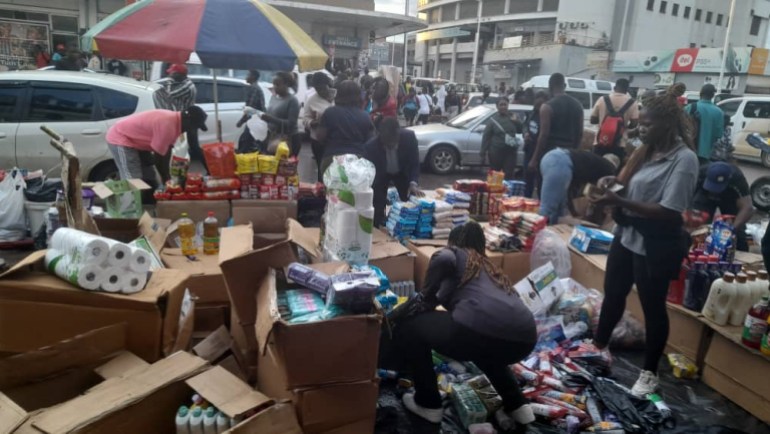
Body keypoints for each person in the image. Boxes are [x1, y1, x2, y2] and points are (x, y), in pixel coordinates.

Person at [589, 91, 699, 396]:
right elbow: (630, 185)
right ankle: (599, 346)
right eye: (641, 124)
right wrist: (611, 184)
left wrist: (619, 199)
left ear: (667, 124)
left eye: (648, 124)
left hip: (655, 243)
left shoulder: (684, 160)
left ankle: (649, 373)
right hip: (627, 236)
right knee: (613, 294)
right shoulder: (644, 151)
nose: (641, 130)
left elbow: (669, 210)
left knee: (653, 308)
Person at [392, 222, 537, 426]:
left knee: (412, 328)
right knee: (485, 349)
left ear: (454, 242)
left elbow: (442, 262)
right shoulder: (489, 269)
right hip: (524, 339)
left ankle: (428, 403)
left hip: (478, 329)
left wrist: (402, 312)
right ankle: (518, 406)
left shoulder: (456, 254)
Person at [106, 106, 208, 187]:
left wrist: (210, 170)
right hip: (121, 137)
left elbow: (168, 151)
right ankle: (130, 210)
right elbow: (159, 157)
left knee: (149, 175)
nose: (193, 130)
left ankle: (149, 202)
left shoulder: (177, 122)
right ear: (188, 120)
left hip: (139, 142)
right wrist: (166, 179)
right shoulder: (168, 125)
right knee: (133, 178)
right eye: (193, 127)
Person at [365, 118, 423, 227]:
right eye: (387, 144)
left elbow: (414, 163)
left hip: (402, 172)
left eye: (393, 143)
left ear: (398, 134)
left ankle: (409, 226)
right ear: (380, 136)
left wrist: (413, 183)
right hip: (381, 175)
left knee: (410, 200)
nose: (391, 146)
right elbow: (372, 174)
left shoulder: (409, 137)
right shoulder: (370, 147)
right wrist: (379, 195)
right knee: (378, 203)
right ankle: (379, 226)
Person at [539, 150, 618, 224]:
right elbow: (601, 200)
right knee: (548, 210)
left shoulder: (591, 166)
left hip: (553, 158)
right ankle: (537, 235)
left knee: (559, 212)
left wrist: (574, 213)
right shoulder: (610, 170)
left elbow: (569, 192)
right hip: (559, 164)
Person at [529, 73, 584, 176]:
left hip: (550, 155)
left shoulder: (547, 107)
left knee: (546, 189)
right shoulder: (578, 105)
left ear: (550, 87)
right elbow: (580, 133)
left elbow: (544, 135)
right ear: (565, 86)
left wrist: (534, 159)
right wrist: (575, 152)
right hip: (570, 154)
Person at [692, 162, 753, 252]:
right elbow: (687, 198)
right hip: (705, 194)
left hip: (729, 197)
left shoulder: (737, 179)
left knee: (738, 235)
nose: (715, 193)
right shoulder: (701, 173)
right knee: (699, 229)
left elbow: (747, 207)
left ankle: (742, 257)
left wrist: (732, 230)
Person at [318, 80, 374, 177]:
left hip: (331, 160)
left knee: (332, 191)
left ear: (338, 95)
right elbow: (370, 142)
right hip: (357, 162)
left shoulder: (329, 112)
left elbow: (320, 137)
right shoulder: (365, 116)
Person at [591, 78, 639, 162]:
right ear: (627, 89)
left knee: (595, 167)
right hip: (619, 143)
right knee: (614, 169)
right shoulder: (633, 103)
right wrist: (623, 127)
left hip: (600, 141)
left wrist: (605, 123)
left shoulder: (602, 99)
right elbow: (634, 123)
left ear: (614, 87)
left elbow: (592, 120)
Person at [302, 72, 336, 181]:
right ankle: (321, 192)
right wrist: (313, 122)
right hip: (319, 141)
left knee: (335, 169)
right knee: (322, 169)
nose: (320, 91)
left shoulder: (337, 96)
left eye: (322, 88)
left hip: (335, 139)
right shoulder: (311, 100)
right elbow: (305, 119)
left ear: (328, 84)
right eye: (317, 89)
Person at [481, 98, 522, 180]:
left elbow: (520, 130)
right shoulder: (493, 120)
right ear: (497, 106)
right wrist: (482, 153)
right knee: (495, 176)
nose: (503, 107)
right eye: (501, 105)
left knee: (509, 176)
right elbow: (486, 137)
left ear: (508, 105)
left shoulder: (513, 117)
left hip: (510, 152)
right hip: (496, 153)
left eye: (505, 104)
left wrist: (516, 121)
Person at [261, 71, 300, 155]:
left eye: (277, 85)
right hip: (273, 136)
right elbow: (270, 113)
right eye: (273, 84)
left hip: (288, 139)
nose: (274, 87)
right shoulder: (273, 97)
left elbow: (291, 123)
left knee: (285, 167)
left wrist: (271, 119)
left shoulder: (292, 100)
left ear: (286, 84)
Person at [685, 84, 725, 163]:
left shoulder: (690, 108)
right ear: (713, 95)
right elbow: (719, 134)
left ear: (700, 93)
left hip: (690, 151)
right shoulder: (719, 112)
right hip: (708, 154)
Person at [523, 91, 548, 198]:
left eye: (540, 105)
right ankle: (526, 201)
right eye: (536, 104)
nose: (538, 107)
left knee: (540, 182)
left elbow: (544, 136)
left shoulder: (546, 117)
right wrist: (525, 133)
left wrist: (535, 159)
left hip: (541, 153)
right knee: (527, 180)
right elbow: (524, 125)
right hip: (528, 150)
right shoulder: (532, 114)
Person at [235, 69, 267, 154]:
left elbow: (250, 109)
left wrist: (241, 121)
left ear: (253, 77)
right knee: (248, 142)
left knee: (246, 141)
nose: (246, 77)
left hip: (256, 120)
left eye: (248, 75)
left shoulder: (254, 88)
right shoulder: (254, 87)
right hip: (255, 119)